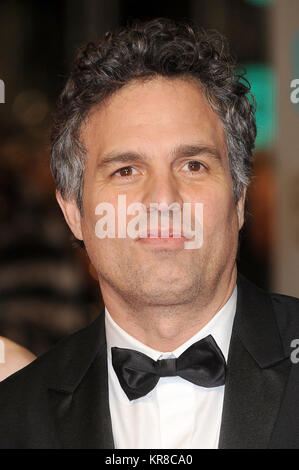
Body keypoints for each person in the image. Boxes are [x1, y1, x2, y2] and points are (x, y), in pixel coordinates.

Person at [0, 17, 298, 449]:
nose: (163, 199)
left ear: (238, 200)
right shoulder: (16, 419)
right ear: (73, 211)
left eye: (193, 165)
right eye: (126, 170)